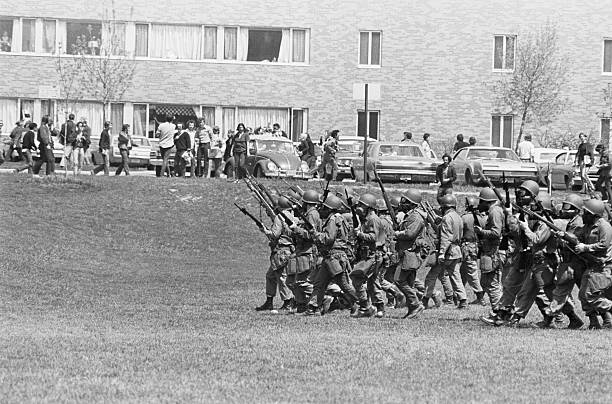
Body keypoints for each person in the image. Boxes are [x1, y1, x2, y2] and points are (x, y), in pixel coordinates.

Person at [304, 195, 359, 316]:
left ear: (330, 209)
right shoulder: (339, 218)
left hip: (335, 257)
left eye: (324, 207)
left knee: (344, 284)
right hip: (330, 257)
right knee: (319, 283)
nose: (321, 209)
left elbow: (328, 238)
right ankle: (313, 308)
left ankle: (362, 303)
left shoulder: (333, 220)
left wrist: (315, 233)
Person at [423, 194, 468, 309]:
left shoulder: (447, 218)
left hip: (448, 252)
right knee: (455, 276)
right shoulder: (458, 217)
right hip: (457, 251)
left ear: (444, 206)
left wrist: (442, 253)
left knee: (431, 276)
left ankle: (425, 300)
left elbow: (446, 237)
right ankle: (463, 301)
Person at [575, 199, 612, 328]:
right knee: (583, 296)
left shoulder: (604, 226)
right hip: (591, 265)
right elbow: (576, 236)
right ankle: (594, 323)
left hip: (602, 266)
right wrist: (563, 235)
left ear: (594, 215)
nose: (583, 215)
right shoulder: (587, 227)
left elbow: (603, 244)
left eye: (586, 212)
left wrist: (585, 247)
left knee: (591, 295)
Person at [350, 193, 386, 318]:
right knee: (373, 283)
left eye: (362, 205)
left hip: (373, 255)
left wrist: (359, 234)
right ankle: (379, 307)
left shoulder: (373, 219)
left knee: (356, 278)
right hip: (371, 254)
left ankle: (365, 307)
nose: (359, 207)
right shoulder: (367, 219)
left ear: (369, 207)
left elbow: (373, 237)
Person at [256, 196, 295, 312]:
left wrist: (265, 230)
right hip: (288, 251)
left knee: (281, 277)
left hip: (281, 251)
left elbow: (275, 234)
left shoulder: (280, 217)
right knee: (271, 276)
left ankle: (288, 301)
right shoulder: (294, 217)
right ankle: (269, 301)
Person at [394, 189, 429, 318]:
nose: (402, 203)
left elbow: (410, 234)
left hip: (411, 254)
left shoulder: (415, 216)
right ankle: (412, 309)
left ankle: (415, 304)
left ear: (411, 203)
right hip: (408, 253)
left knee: (398, 279)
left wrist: (397, 234)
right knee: (408, 283)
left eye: (405, 201)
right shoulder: (410, 215)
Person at [288, 190, 322, 313]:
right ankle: (302, 305)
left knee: (302, 282)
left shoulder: (312, 215)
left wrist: (296, 229)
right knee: (294, 282)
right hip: (302, 250)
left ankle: (321, 298)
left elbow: (311, 235)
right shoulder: (308, 213)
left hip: (308, 251)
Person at [474, 189, 504, 311]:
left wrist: (481, 231)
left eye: (481, 201)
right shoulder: (494, 211)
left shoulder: (494, 212)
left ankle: (498, 311)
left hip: (493, 252)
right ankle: (499, 310)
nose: (480, 204)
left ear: (487, 201)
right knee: (487, 283)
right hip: (490, 250)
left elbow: (496, 233)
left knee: (492, 284)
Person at [460, 196, 486, 305]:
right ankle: (457, 295)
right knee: (463, 272)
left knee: (471, 272)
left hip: (467, 246)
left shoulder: (464, 218)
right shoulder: (481, 218)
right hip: (475, 246)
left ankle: (480, 296)